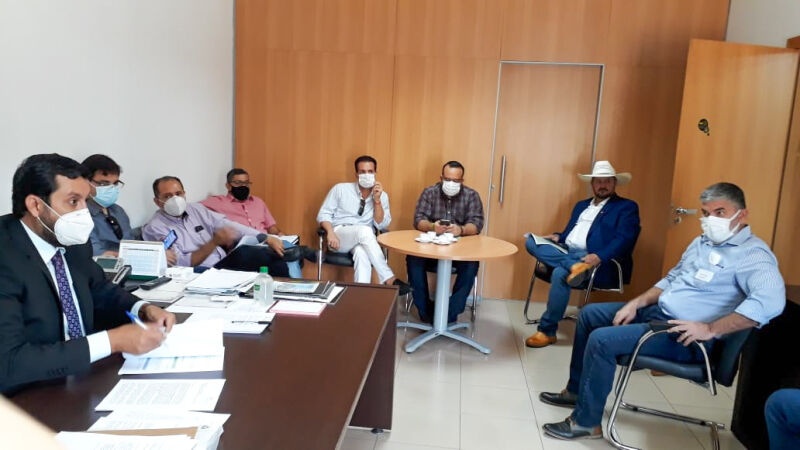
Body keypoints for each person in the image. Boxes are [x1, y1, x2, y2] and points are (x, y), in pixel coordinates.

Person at [537, 182, 785, 441]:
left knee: (602, 340)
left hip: (685, 336)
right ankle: (576, 392)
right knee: (590, 315)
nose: (711, 220)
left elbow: (771, 301)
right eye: (706, 213)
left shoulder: (753, 255)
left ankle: (586, 423)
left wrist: (710, 329)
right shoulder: (702, 243)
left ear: (742, 214)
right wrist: (636, 303)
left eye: (720, 212)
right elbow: (671, 279)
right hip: (658, 313)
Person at [0, 154, 175, 394]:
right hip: (30, 394)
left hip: (84, 380)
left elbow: (98, 288)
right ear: (36, 205)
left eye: (86, 200)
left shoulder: (71, 239)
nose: (84, 213)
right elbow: (9, 363)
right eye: (74, 202)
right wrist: (112, 341)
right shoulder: (5, 255)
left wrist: (142, 308)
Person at [524, 160, 640, 348]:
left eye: (607, 181)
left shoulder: (626, 207)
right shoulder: (581, 205)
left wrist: (598, 256)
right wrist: (557, 237)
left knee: (560, 273)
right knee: (531, 241)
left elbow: (625, 239)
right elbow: (569, 234)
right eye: (598, 181)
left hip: (595, 260)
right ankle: (573, 265)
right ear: (592, 184)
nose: (602, 185)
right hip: (568, 252)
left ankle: (546, 331)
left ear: (614, 183)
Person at [142, 176, 291, 276]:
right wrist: (213, 242)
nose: (175, 199)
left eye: (178, 193)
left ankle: (288, 297)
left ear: (184, 194)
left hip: (223, 263)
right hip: (200, 272)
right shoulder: (155, 228)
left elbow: (227, 224)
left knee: (273, 259)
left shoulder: (195, 209)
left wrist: (264, 237)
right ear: (157, 201)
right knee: (247, 253)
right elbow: (182, 264)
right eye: (167, 196)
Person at [316, 155, 409, 293]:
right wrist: (330, 233)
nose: (366, 175)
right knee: (365, 231)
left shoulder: (382, 196)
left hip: (364, 241)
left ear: (375, 173)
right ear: (356, 174)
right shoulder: (340, 189)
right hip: (339, 236)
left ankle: (360, 296)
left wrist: (377, 201)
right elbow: (323, 214)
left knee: (362, 253)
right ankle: (389, 278)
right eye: (362, 172)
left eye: (370, 171)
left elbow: (381, 225)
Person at [406, 161, 485, 323]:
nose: (451, 184)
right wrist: (432, 226)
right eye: (447, 179)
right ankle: (425, 311)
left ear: (462, 181)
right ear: (441, 178)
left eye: (455, 181)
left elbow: (476, 224)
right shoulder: (429, 193)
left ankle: (450, 313)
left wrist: (461, 229)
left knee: (471, 265)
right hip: (430, 249)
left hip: (459, 251)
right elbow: (418, 220)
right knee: (413, 260)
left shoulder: (471, 196)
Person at [201, 168, 315, 278]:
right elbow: (195, 209)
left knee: (286, 249)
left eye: (246, 183)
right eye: (238, 183)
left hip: (267, 241)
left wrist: (281, 234)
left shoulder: (258, 202)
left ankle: (295, 269)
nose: (243, 186)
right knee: (287, 252)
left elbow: (271, 227)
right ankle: (300, 257)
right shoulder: (218, 202)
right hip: (243, 246)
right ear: (228, 185)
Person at [81, 154, 135, 256]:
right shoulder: (81, 215)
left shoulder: (118, 211)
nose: (111, 189)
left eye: (115, 184)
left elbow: (131, 244)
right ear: (85, 182)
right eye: (104, 184)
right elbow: (97, 253)